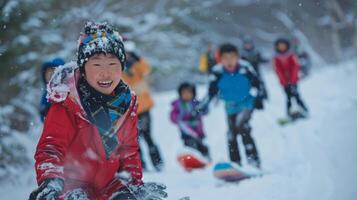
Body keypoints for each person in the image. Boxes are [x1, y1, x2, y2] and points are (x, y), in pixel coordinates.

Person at [29, 22, 167, 200]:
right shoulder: (68, 101)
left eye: (112, 64)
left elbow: (128, 152)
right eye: (97, 65)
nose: (106, 73)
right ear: (83, 69)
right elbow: (51, 147)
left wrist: (133, 185)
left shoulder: (127, 102)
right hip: (69, 186)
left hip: (108, 187)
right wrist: (51, 179)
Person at [206, 43, 262, 168]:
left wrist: (259, 98)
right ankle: (235, 162)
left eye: (232, 57)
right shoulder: (217, 72)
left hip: (246, 103)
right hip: (230, 106)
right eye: (225, 58)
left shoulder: (245, 68)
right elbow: (211, 92)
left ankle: (253, 160)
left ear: (238, 57)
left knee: (242, 127)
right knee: (231, 134)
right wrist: (204, 106)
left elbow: (258, 84)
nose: (229, 61)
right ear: (220, 59)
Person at [121, 43, 163, 171]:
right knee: (135, 139)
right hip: (130, 109)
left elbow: (146, 69)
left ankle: (157, 163)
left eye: (129, 54)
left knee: (148, 136)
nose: (127, 56)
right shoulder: (120, 69)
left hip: (144, 106)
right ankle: (141, 164)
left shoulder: (136, 65)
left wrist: (138, 59)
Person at [170, 82, 210, 159]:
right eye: (184, 93)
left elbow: (205, 111)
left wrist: (202, 108)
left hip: (198, 130)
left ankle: (205, 157)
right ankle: (191, 159)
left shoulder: (196, 103)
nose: (186, 95)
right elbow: (173, 115)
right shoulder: (178, 105)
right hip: (186, 132)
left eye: (189, 92)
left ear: (193, 93)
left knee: (200, 145)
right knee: (190, 146)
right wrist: (178, 117)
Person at [273, 38, 309, 117]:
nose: (282, 47)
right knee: (288, 97)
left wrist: (293, 81)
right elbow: (278, 71)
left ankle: (304, 110)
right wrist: (284, 81)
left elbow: (295, 67)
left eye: (283, 45)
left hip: (293, 80)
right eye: (280, 46)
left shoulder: (291, 55)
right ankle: (288, 114)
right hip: (284, 82)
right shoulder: (276, 57)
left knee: (296, 95)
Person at [240, 36, 269, 104]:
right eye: (246, 44)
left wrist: (266, 61)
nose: (248, 46)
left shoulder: (256, 52)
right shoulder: (242, 54)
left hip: (256, 72)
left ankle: (263, 96)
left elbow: (261, 59)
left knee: (260, 84)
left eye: (249, 44)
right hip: (247, 73)